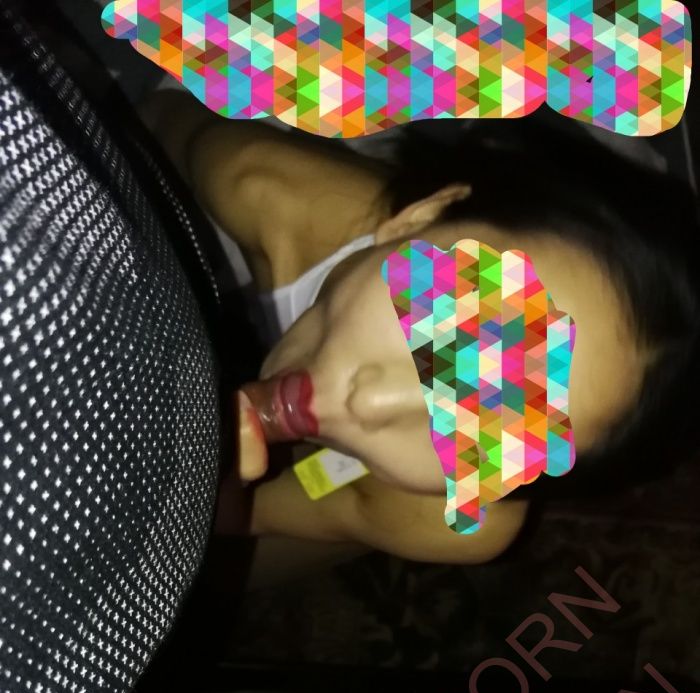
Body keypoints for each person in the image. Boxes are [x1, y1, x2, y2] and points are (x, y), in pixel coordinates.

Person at [143, 90, 700, 566]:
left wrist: (215, 491)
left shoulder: (455, 519)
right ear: (421, 218)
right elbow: (149, 118)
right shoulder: (259, 185)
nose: (370, 404)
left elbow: (239, 520)